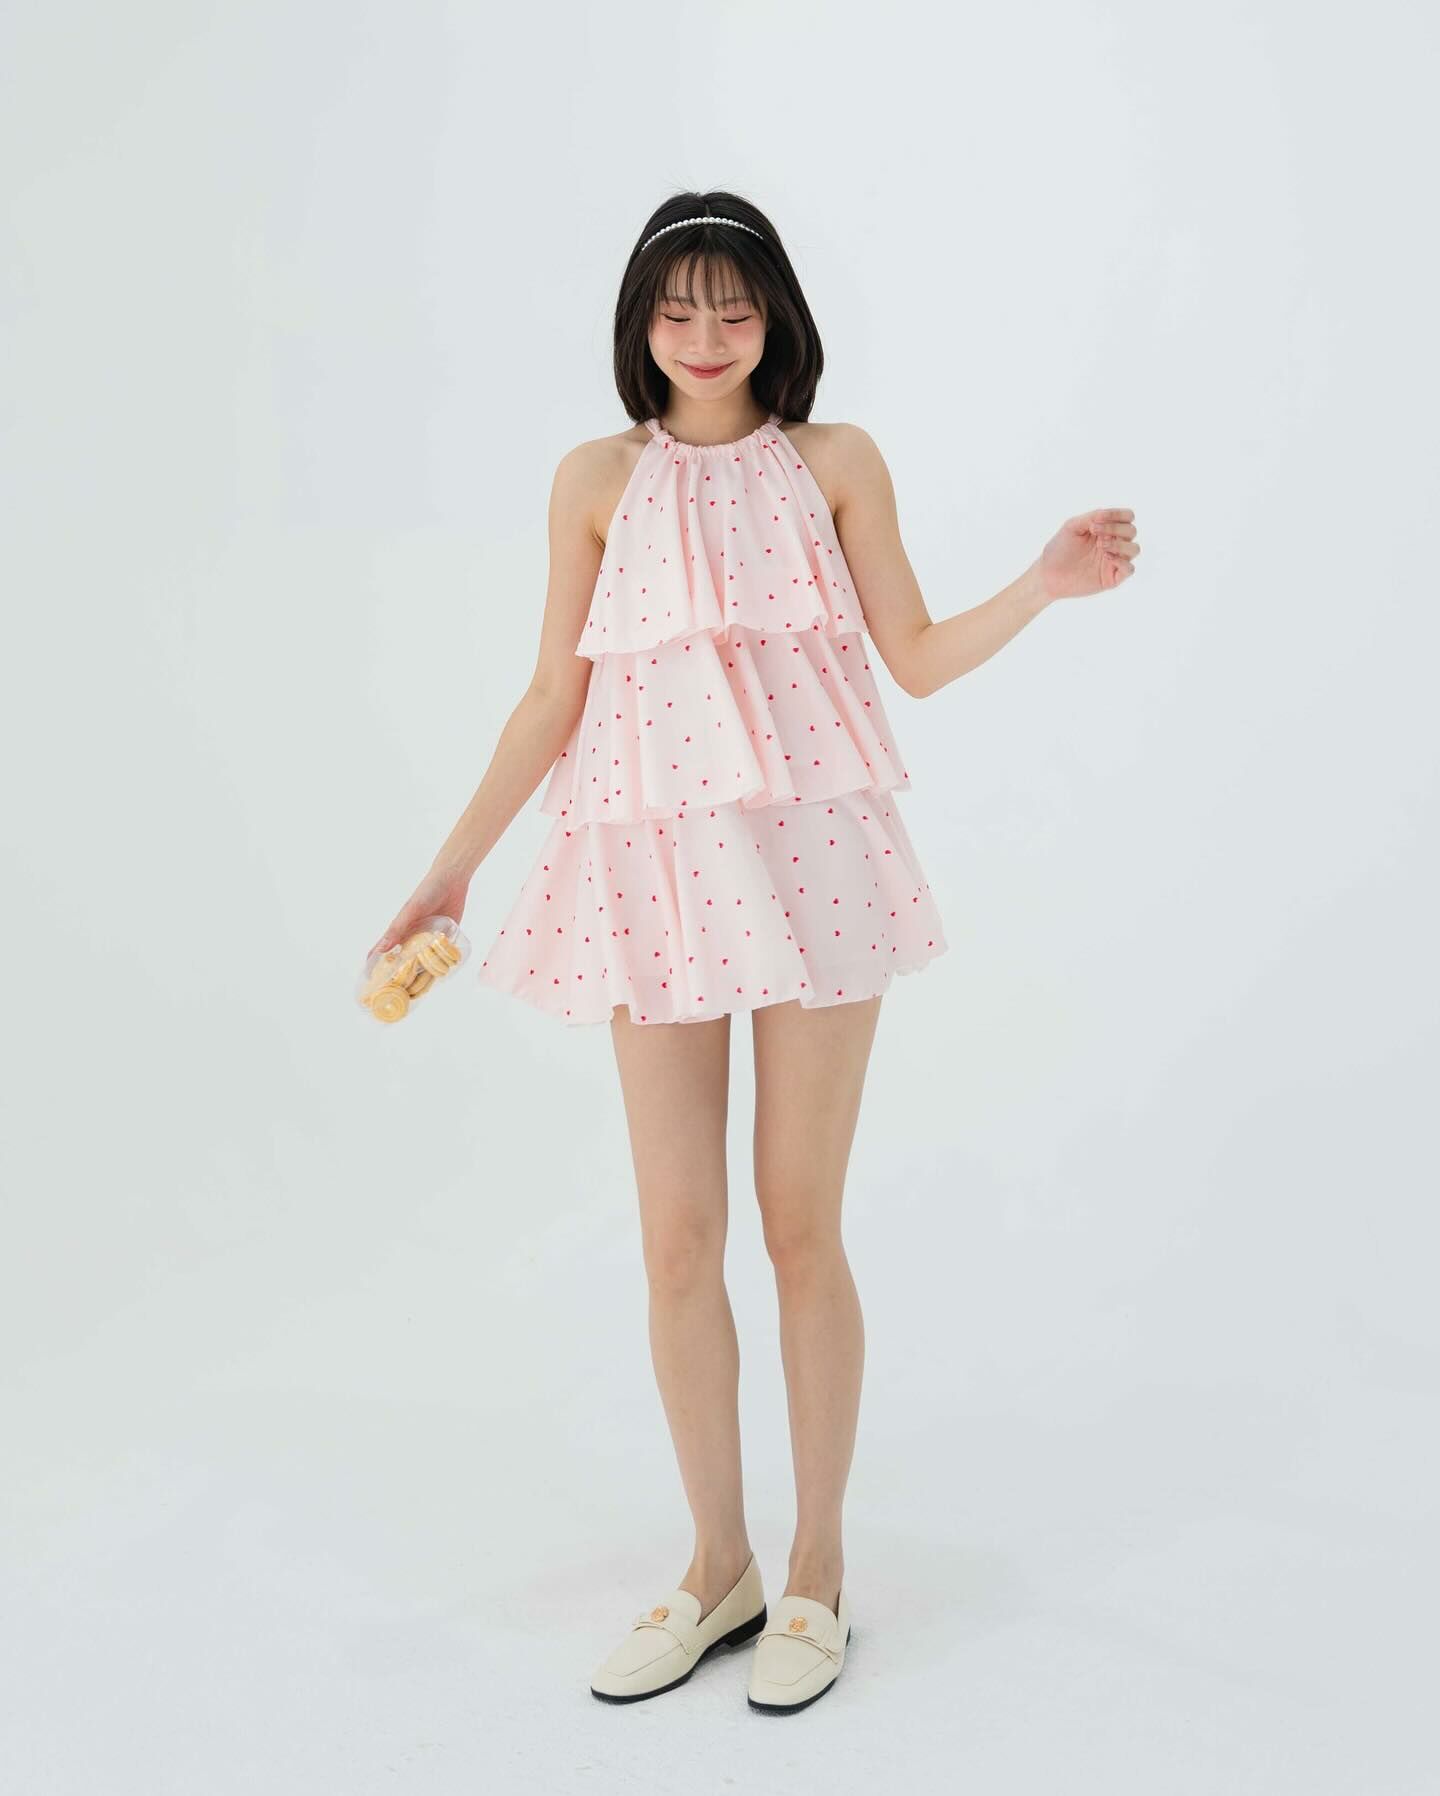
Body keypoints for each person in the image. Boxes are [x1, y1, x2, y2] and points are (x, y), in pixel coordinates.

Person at [366, 192, 1140, 1713]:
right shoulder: (595, 481)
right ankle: (716, 1562)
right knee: (677, 1238)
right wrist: (448, 872)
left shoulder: (835, 461)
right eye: (678, 310)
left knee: (799, 1229)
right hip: (650, 865)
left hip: (815, 861)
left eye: (734, 307)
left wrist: (1042, 585)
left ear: (775, 314)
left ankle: (818, 1571)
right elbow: (551, 699)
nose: (707, 336)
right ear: (639, 326)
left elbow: (914, 658)